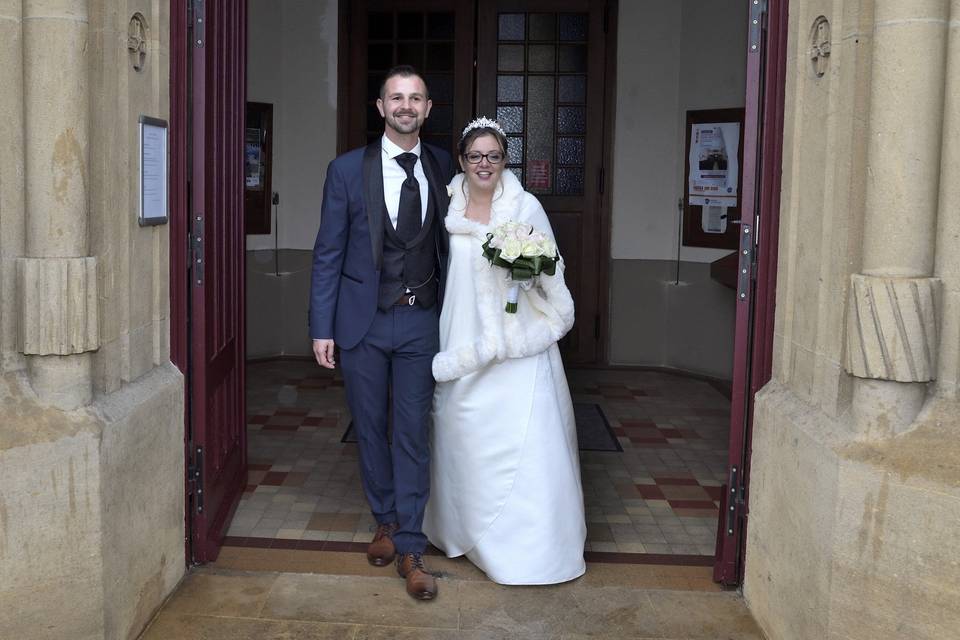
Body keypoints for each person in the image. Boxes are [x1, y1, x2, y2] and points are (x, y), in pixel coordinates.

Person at [308, 65, 455, 600]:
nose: (406, 106)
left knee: (412, 430)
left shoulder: (443, 167)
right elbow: (327, 253)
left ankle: (413, 544)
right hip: (362, 321)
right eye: (397, 97)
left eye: (416, 98)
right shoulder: (347, 170)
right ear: (380, 107)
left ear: (428, 108)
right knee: (370, 427)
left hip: (421, 320)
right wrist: (321, 326)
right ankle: (387, 520)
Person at [423, 117, 587, 585]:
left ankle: (527, 550)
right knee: (460, 431)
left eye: (493, 156)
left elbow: (550, 270)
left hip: (516, 345)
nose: (484, 164)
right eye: (475, 155)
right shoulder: (447, 200)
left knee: (522, 439)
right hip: (461, 336)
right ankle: (461, 531)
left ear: (504, 160)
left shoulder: (526, 206)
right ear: (462, 160)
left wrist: (524, 269)